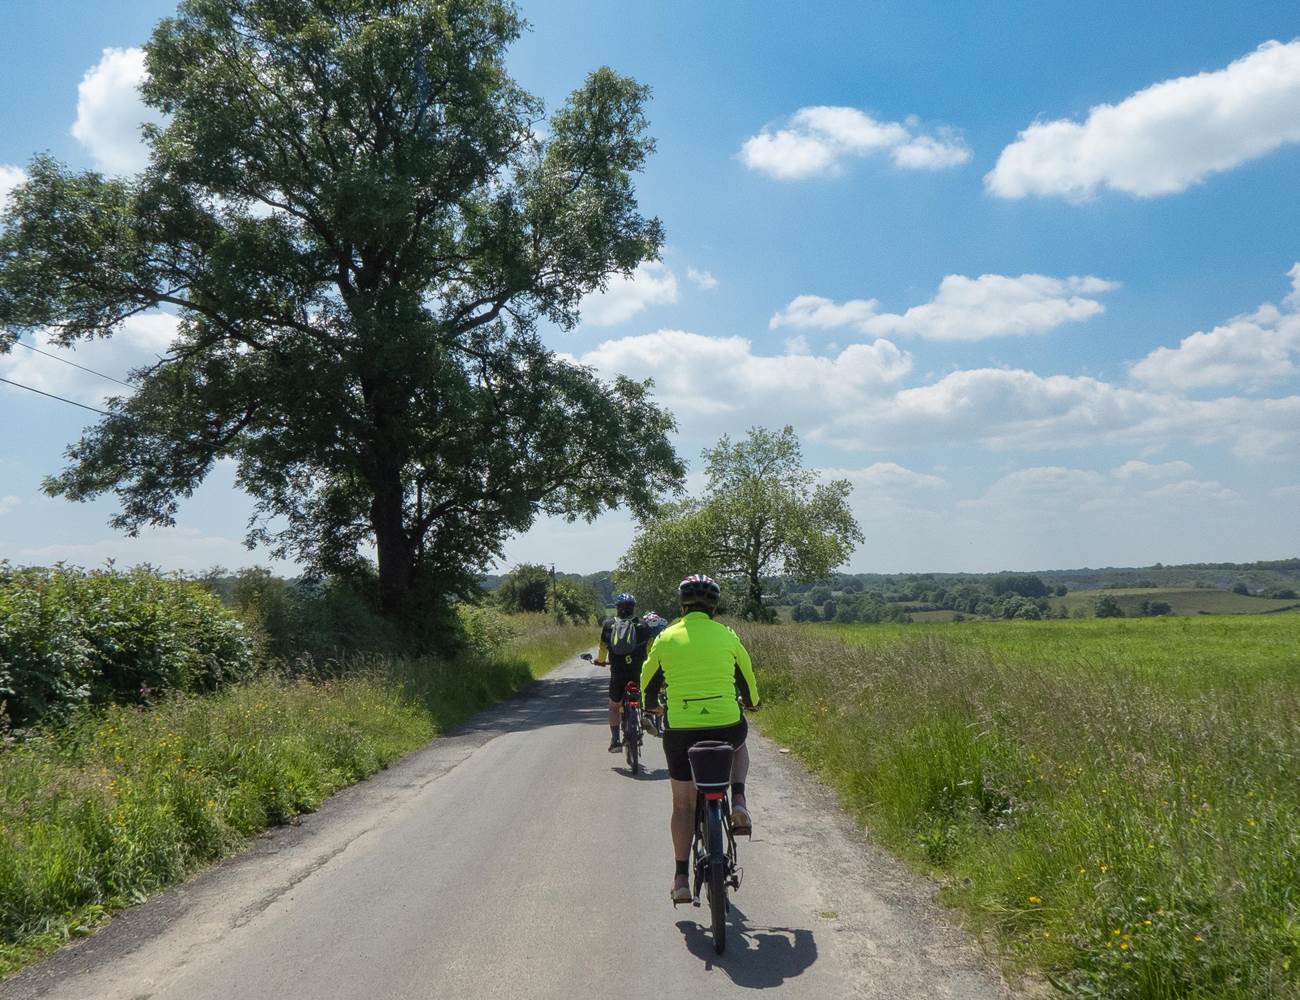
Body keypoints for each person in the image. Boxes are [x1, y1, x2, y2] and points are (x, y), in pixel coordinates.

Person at [640, 574, 759, 904]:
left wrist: (652, 706)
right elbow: (747, 677)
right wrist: (752, 702)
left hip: (681, 731)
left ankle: (680, 877)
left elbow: (647, 678)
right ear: (714, 606)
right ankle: (738, 800)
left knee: (682, 805)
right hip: (725, 725)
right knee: (739, 743)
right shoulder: (727, 635)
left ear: (682, 605)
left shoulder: (665, 637)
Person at [593, 593, 653, 753]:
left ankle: (615, 740)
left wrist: (600, 660)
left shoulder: (609, 625)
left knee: (614, 706)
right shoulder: (643, 625)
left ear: (617, 608)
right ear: (633, 607)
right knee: (644, 696)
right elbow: (650, 649)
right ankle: (646, 714)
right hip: (638, 671)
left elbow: (602, 647)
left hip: (618, 672)